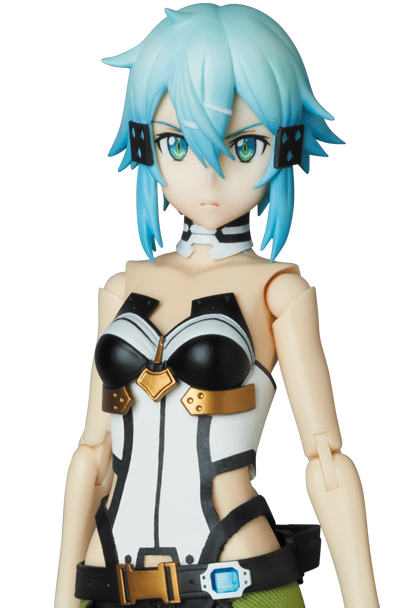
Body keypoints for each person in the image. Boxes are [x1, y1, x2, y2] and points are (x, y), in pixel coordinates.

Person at [55, 5, 379, 608]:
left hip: (238, 582)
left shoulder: (277, 291)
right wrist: (60, 596)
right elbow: (91, 458)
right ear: (144, 143)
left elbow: (327, 462)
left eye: (244, 145)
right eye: (177, 143)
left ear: (285, 145)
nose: (209, 177)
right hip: (110, 579)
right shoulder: (123, 288)